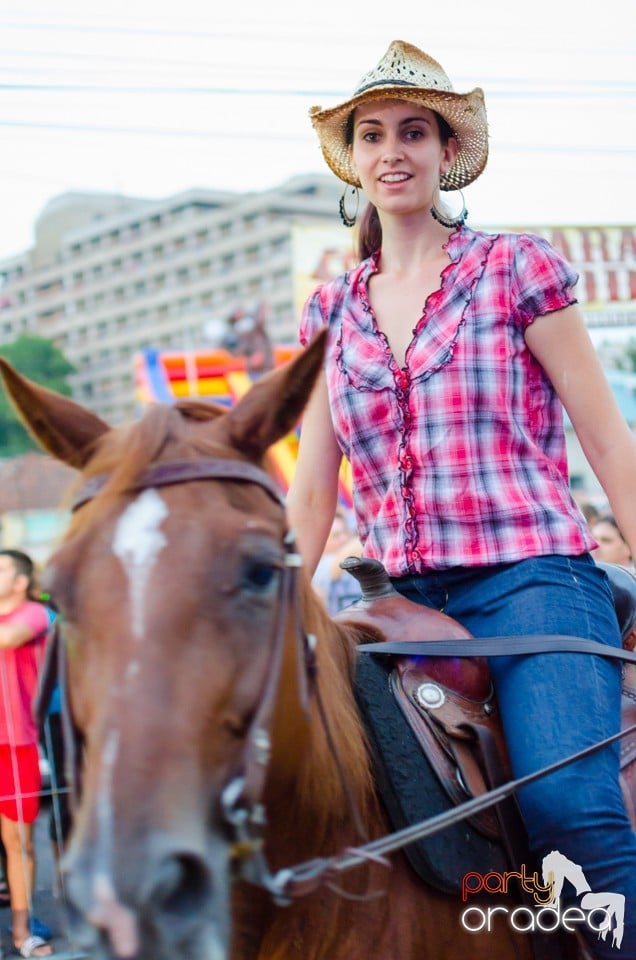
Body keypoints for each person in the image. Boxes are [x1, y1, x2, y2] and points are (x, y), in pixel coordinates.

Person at [287, 39, 636, 958]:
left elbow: (606, 437)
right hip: (393, 603)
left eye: (414, 131)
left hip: (532, 580)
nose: (392, 150)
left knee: (570, 809)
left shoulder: (517, 267)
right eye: (372, 134)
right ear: (353, 158)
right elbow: (313, 484)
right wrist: (280, 597)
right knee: (321, 805)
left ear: (447, 153)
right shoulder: (328, 311)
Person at [0, 550, 52, 957]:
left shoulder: (34, 614)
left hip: (13, 744)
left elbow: (7, 638)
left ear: (19, 581)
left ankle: (22, 931)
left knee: (19, 843)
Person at [312, 507, 363, 615]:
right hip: (341, 628)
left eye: (345, 531)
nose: (344, 538)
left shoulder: (361, 561)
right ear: (321, 542)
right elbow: (340, 561)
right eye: (336, 536)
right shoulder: (319, 566)